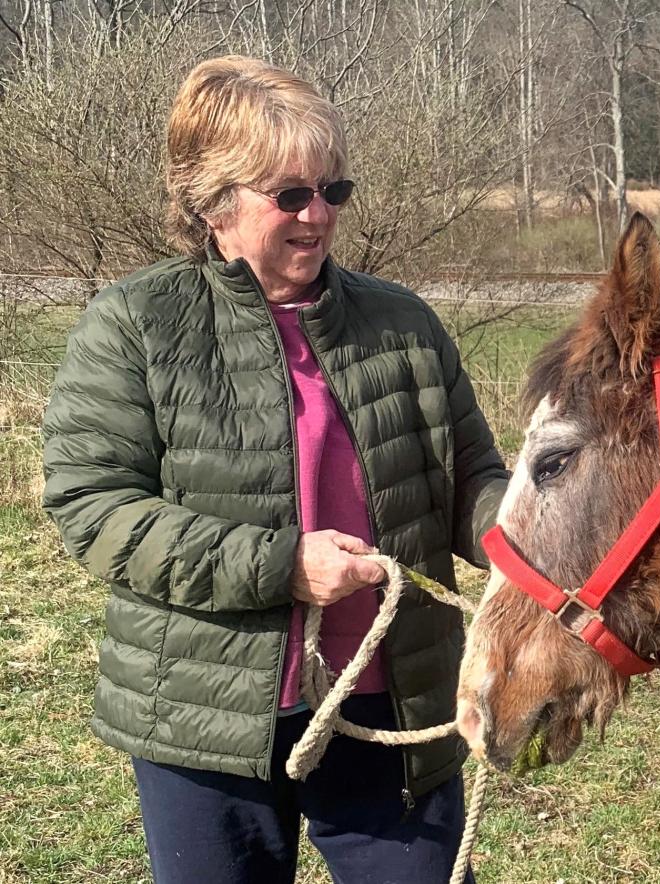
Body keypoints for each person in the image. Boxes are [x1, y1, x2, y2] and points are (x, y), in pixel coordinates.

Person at [41, 55, 508, 883]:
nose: (318, 214)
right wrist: (280, 565)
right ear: (213, 203)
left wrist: (527, 534)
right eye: (289, 195)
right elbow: (95, 504)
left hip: (388, 706)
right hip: (205, 718)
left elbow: (469, 476)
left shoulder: (402, 322)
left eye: (333, 190)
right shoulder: (135, 324)